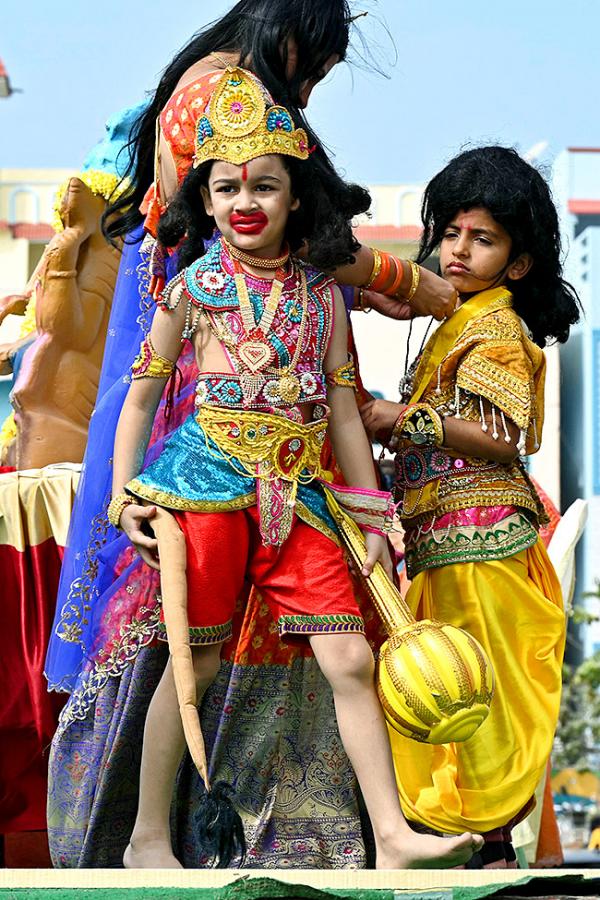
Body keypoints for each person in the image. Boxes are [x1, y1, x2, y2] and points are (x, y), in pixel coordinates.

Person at [44, 0, 451, 868]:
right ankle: (147, 836)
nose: (243, 202)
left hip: (300, 496)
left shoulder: (315, 296)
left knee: (347, 655)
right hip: (206, 488)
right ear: (206, 194)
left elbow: (344, 411)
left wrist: (370, 513)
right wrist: (124, 495)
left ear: (296, 195)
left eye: (264, 185)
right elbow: (141, 400)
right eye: (225, 187)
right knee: (190, 662)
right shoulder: (192, 290)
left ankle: (391, 838)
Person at [360, 145, 581, 868]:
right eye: (451, 231)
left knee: (472, 694)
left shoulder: (495, 328)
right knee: (446, 691)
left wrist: (399, 420)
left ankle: (486, 843)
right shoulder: (454, 321)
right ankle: (469, 842)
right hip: (442, 543)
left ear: (516, 263)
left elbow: (501, 437)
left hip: (480, 544)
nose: (458, 248)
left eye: (481, 238)